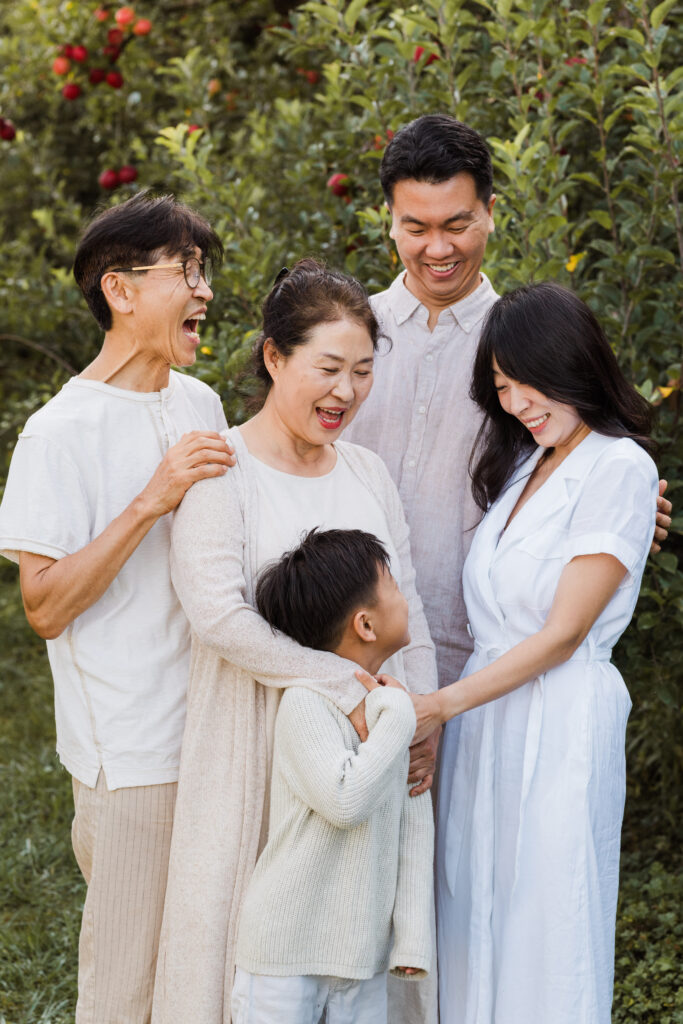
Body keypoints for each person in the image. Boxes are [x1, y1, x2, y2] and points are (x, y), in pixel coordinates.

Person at [358, 282, 659, 1023]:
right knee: (472, 914)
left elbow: (561, 632)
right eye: (501, 388)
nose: (518, 402)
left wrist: (438, 705)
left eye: (528, 383)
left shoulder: (619, 467)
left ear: (573, 364)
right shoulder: (526, 462)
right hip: (488, 713)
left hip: (557, 716)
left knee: (544, 920)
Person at [151, 259, 437, 1024]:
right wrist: (346, 688)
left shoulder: (367, 473)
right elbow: (217, 616)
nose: (345, 392)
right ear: (275, 357)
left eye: (363, 371)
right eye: (328, 368)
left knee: (358, 948)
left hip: (369, 747)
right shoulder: (222, 468)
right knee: (241, 938)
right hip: (250, 734)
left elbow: (408, 605)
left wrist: (423, 713)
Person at [0, 191, 234, 1024]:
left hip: (217, 734)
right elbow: (44, 606)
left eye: (205, 271)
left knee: (208, 980)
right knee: (124, 992)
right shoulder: (58, 433)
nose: (204, 291)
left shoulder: (201, 404)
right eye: (186, 271)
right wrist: (147, 501)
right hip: (130, 757)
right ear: (120, 289)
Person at [231, 528, 433, 1023]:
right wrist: (401, 716)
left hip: (359, 955)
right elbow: (346, 801)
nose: (405, 599)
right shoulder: (308, 703)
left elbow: (415, 827)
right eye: (395, 588)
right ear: (366, 624)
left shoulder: (390, 709)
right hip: (284, 952)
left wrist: (411, 941)